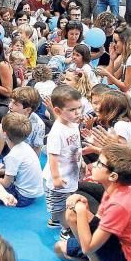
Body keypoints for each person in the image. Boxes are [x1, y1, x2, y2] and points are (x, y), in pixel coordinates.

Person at [56, 143, 131, 261]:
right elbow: (99, 221)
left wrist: (81, 210)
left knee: (72, 216)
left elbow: (88, 248)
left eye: (99, 163)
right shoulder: (116, 190)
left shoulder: (118, 204)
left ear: (113, 176)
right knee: (60, 248)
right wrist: (82, 208)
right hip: (121, 247)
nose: (94, 165)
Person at [43, 85, 83, 230]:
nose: (78, 112)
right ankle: (66, 230)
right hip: (59, 178)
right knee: (60, 206)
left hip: (70, 172)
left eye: (79, 108)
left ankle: (55, 220)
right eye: (72, 110)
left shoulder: (73, 124)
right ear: (58, 111)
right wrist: (56, 178)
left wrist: (82, 162)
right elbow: (52, 156)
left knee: (67, 200)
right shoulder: (57, 132)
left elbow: (76, 147)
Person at [0, 113, 44, 207]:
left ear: (4, 134)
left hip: (22, 197)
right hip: (32, 193)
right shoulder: (25, 147)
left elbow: (6, 184)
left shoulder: (13, 156)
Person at [96, 25, 131, 93]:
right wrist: (112, 59)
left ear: (125, 42)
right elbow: (110, 82)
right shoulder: (127, 58)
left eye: (116, 41)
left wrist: (107, 74)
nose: (114, 45)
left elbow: (126, 87)